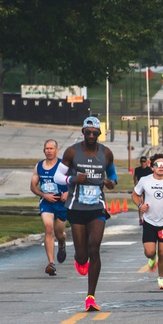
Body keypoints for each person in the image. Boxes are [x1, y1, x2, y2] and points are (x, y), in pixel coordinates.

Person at [53, 116, 117, 311]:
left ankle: (91, 296)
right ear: (82, 132)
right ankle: (78, 258)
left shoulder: (106, 153)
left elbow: (113, 176)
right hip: (76, 206)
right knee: (82, 256)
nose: (90, 135)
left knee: (94, 247)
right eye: (87, 132)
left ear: (99, 133)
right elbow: (57, 176)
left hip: (97, 206)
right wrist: (73, 179)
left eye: (94, 132)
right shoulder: (72, 151)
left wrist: (110, 182)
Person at [131, 154, 163, 293]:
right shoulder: (145, 180)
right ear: (152, 167)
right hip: (149, 221)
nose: (160, 168)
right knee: (150, 252)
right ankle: (152, 258)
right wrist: (140, 206)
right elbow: (135, 194)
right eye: (157, 165)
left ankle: (161, 278)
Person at [29, 139, 68, 277]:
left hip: (61, 203)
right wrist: (43, 195)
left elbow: (75, 181)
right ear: (44, 150)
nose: (49, 151)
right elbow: (33, 186)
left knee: (58, 233)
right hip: (46, 203)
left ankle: (62, 242)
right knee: (48, 228)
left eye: (52, 148)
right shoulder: (39, 166)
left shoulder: (63, 165)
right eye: (47, 148)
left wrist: (67, 193)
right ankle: (51, 263)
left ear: (57, 150)